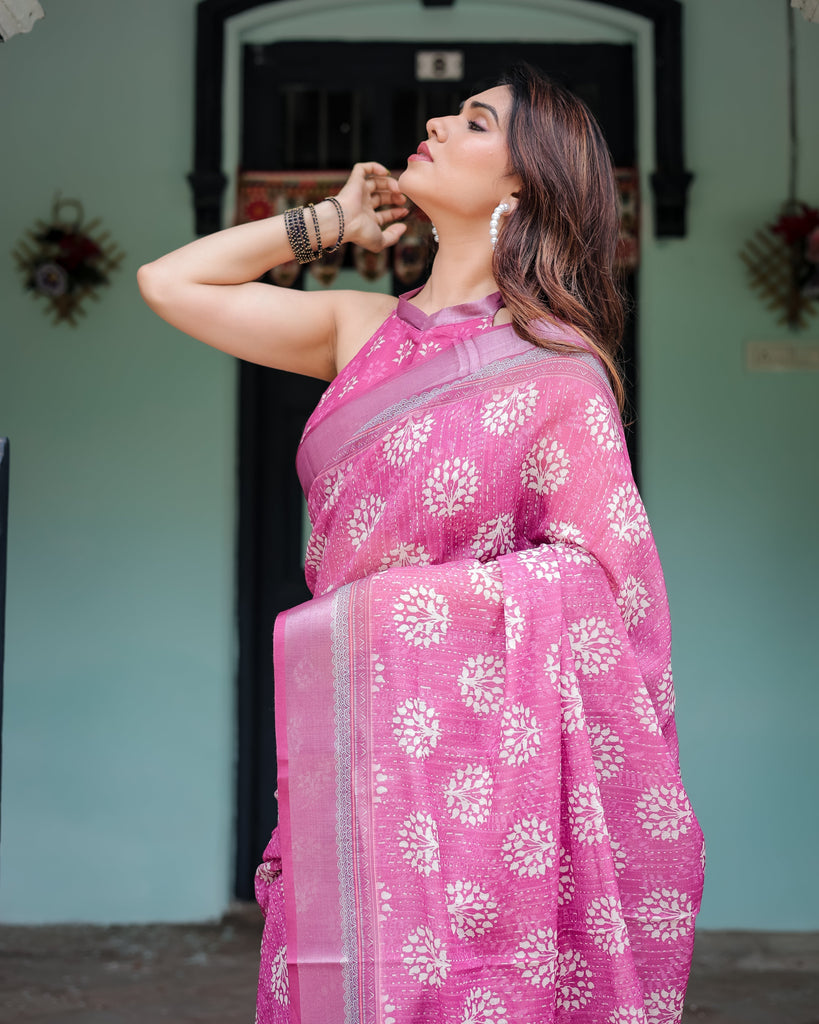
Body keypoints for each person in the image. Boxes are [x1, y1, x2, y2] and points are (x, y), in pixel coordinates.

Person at [138, 63, 704, 1024]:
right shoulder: (358, 328)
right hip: (354, 747)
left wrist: (398, 612)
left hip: (485, 789)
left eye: (475, 119)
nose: (438, 120)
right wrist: (327, 222)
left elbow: (603, 591)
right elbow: (168, 281)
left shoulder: (560, 374)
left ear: (521, 181)